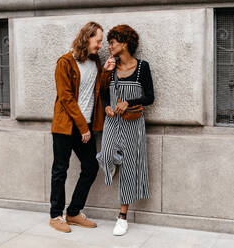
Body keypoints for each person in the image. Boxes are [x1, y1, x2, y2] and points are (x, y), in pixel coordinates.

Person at [49, 21, 116, 233]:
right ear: (87, 38)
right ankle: (55, 215)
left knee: (90, 167)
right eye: (97, 41)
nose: (100, 45)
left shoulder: (95, 61)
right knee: (60, 170)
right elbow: (66, 98)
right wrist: (83, 128)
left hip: (85, 124)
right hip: (66, 126)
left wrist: (106, 72)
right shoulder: (65, 62)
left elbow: (96, 89)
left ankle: (74, 212)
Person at [96, 24, 155, 236]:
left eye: (112, 42)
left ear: (125, 43)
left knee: (129, 167)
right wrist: (107, 107)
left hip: (133, 123)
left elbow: (150, 97)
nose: (109, 46)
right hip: (112, 122)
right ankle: (113, 162)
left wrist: (128, 102)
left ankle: (122, 217)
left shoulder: (142, 67)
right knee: (107, 154)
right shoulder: (110, 67)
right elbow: (103, 93)